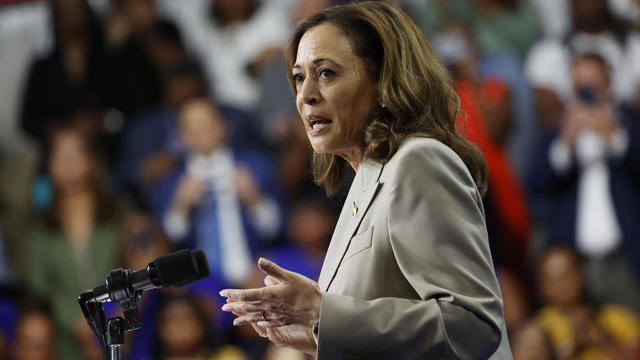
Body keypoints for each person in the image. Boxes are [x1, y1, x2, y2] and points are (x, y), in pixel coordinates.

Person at [219, 2, 512, 359]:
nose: (305, 94)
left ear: (382, 80)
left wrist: (324, 313)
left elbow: (473, 324)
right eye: (299, 77)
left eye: (326, 73)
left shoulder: (419, 162)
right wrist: (315, 334)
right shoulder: (365, 181)